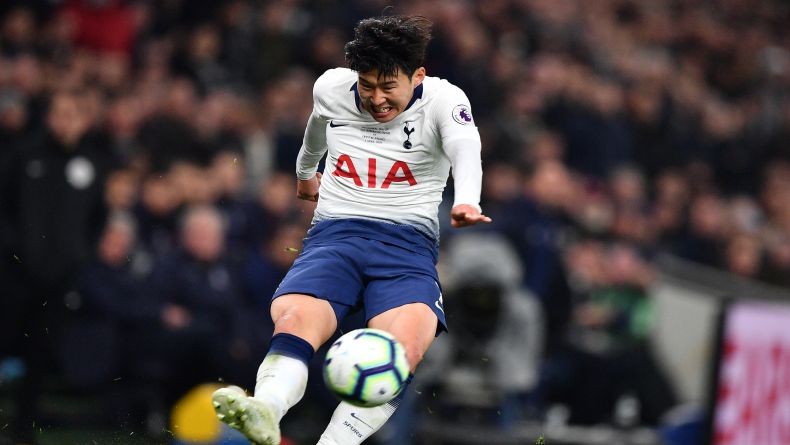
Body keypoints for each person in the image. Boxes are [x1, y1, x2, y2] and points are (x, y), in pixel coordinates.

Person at [212, 14, 491, 445]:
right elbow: (317, 126)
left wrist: (467, 198)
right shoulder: (331, 87)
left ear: (419, 75)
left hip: (406, 248)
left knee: (405, 349)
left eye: (388, 86)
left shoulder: (444, 100)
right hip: (335, 235)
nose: (377, 98)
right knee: (294, 319)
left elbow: (465, 149)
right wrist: (306, 171)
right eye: (368, 85)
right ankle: (266, 408)